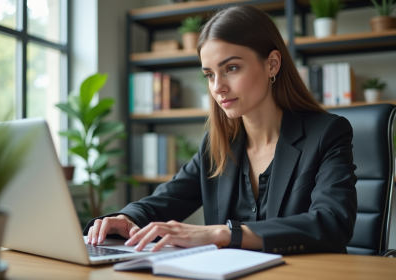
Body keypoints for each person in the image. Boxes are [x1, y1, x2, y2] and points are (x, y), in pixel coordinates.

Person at [84, 5, 357, 255]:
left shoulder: (327, 133)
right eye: (210, 74)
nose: (218, 87)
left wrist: (222, 234)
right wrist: (126, 218)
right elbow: (164, 199)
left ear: (272, 63)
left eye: (232, 68)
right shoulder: (217, 145)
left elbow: (332, 223)